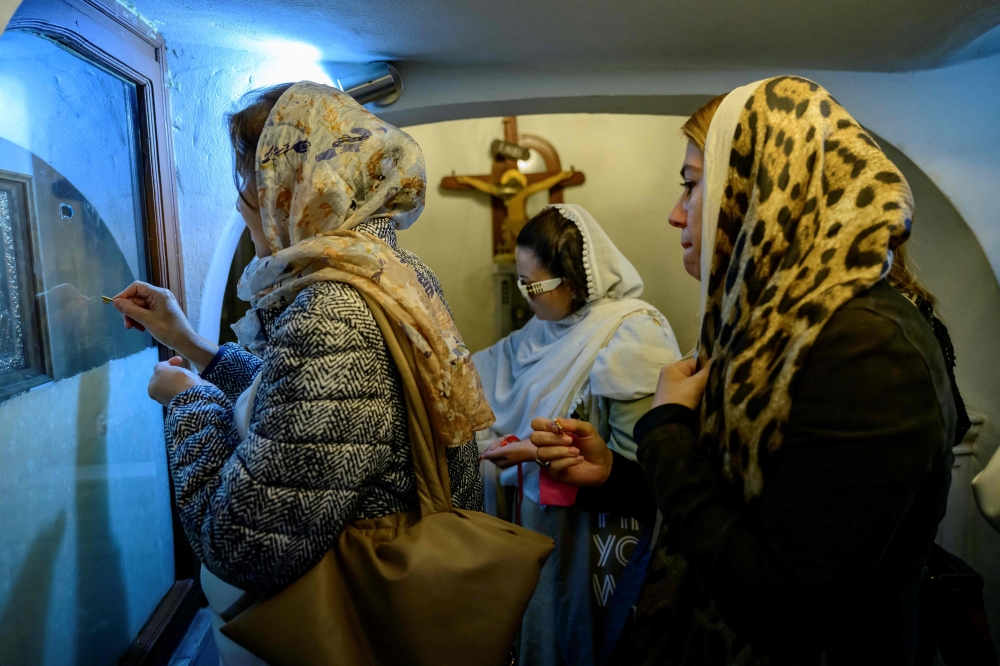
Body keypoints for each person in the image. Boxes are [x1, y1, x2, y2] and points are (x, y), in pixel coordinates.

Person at [531, 77, 956, 665]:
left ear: (759, 194)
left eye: (692, 186)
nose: (676, 215)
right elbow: (737, 509)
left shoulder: (867, 349)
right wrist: (617, 476)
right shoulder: (763, 325)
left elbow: (785, 604)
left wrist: (665, 434)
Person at [112, 82, 491, 665]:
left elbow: (246, 545)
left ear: (293, 186)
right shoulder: (386, 270)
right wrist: (189, 342)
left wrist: (189, 402)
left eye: (250, 182)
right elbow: (298, 407)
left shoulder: (333, 311)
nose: (244, 206)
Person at [473, 203, 681, 666]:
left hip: (595, 534)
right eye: (521, 279)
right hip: (539, 523)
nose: (525, 294)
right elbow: (485, 372)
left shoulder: (632, 335)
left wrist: (542, 453)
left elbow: (644, 474)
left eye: (534, 284)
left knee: (583, 638)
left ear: (573, 281)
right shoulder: (544, 327)